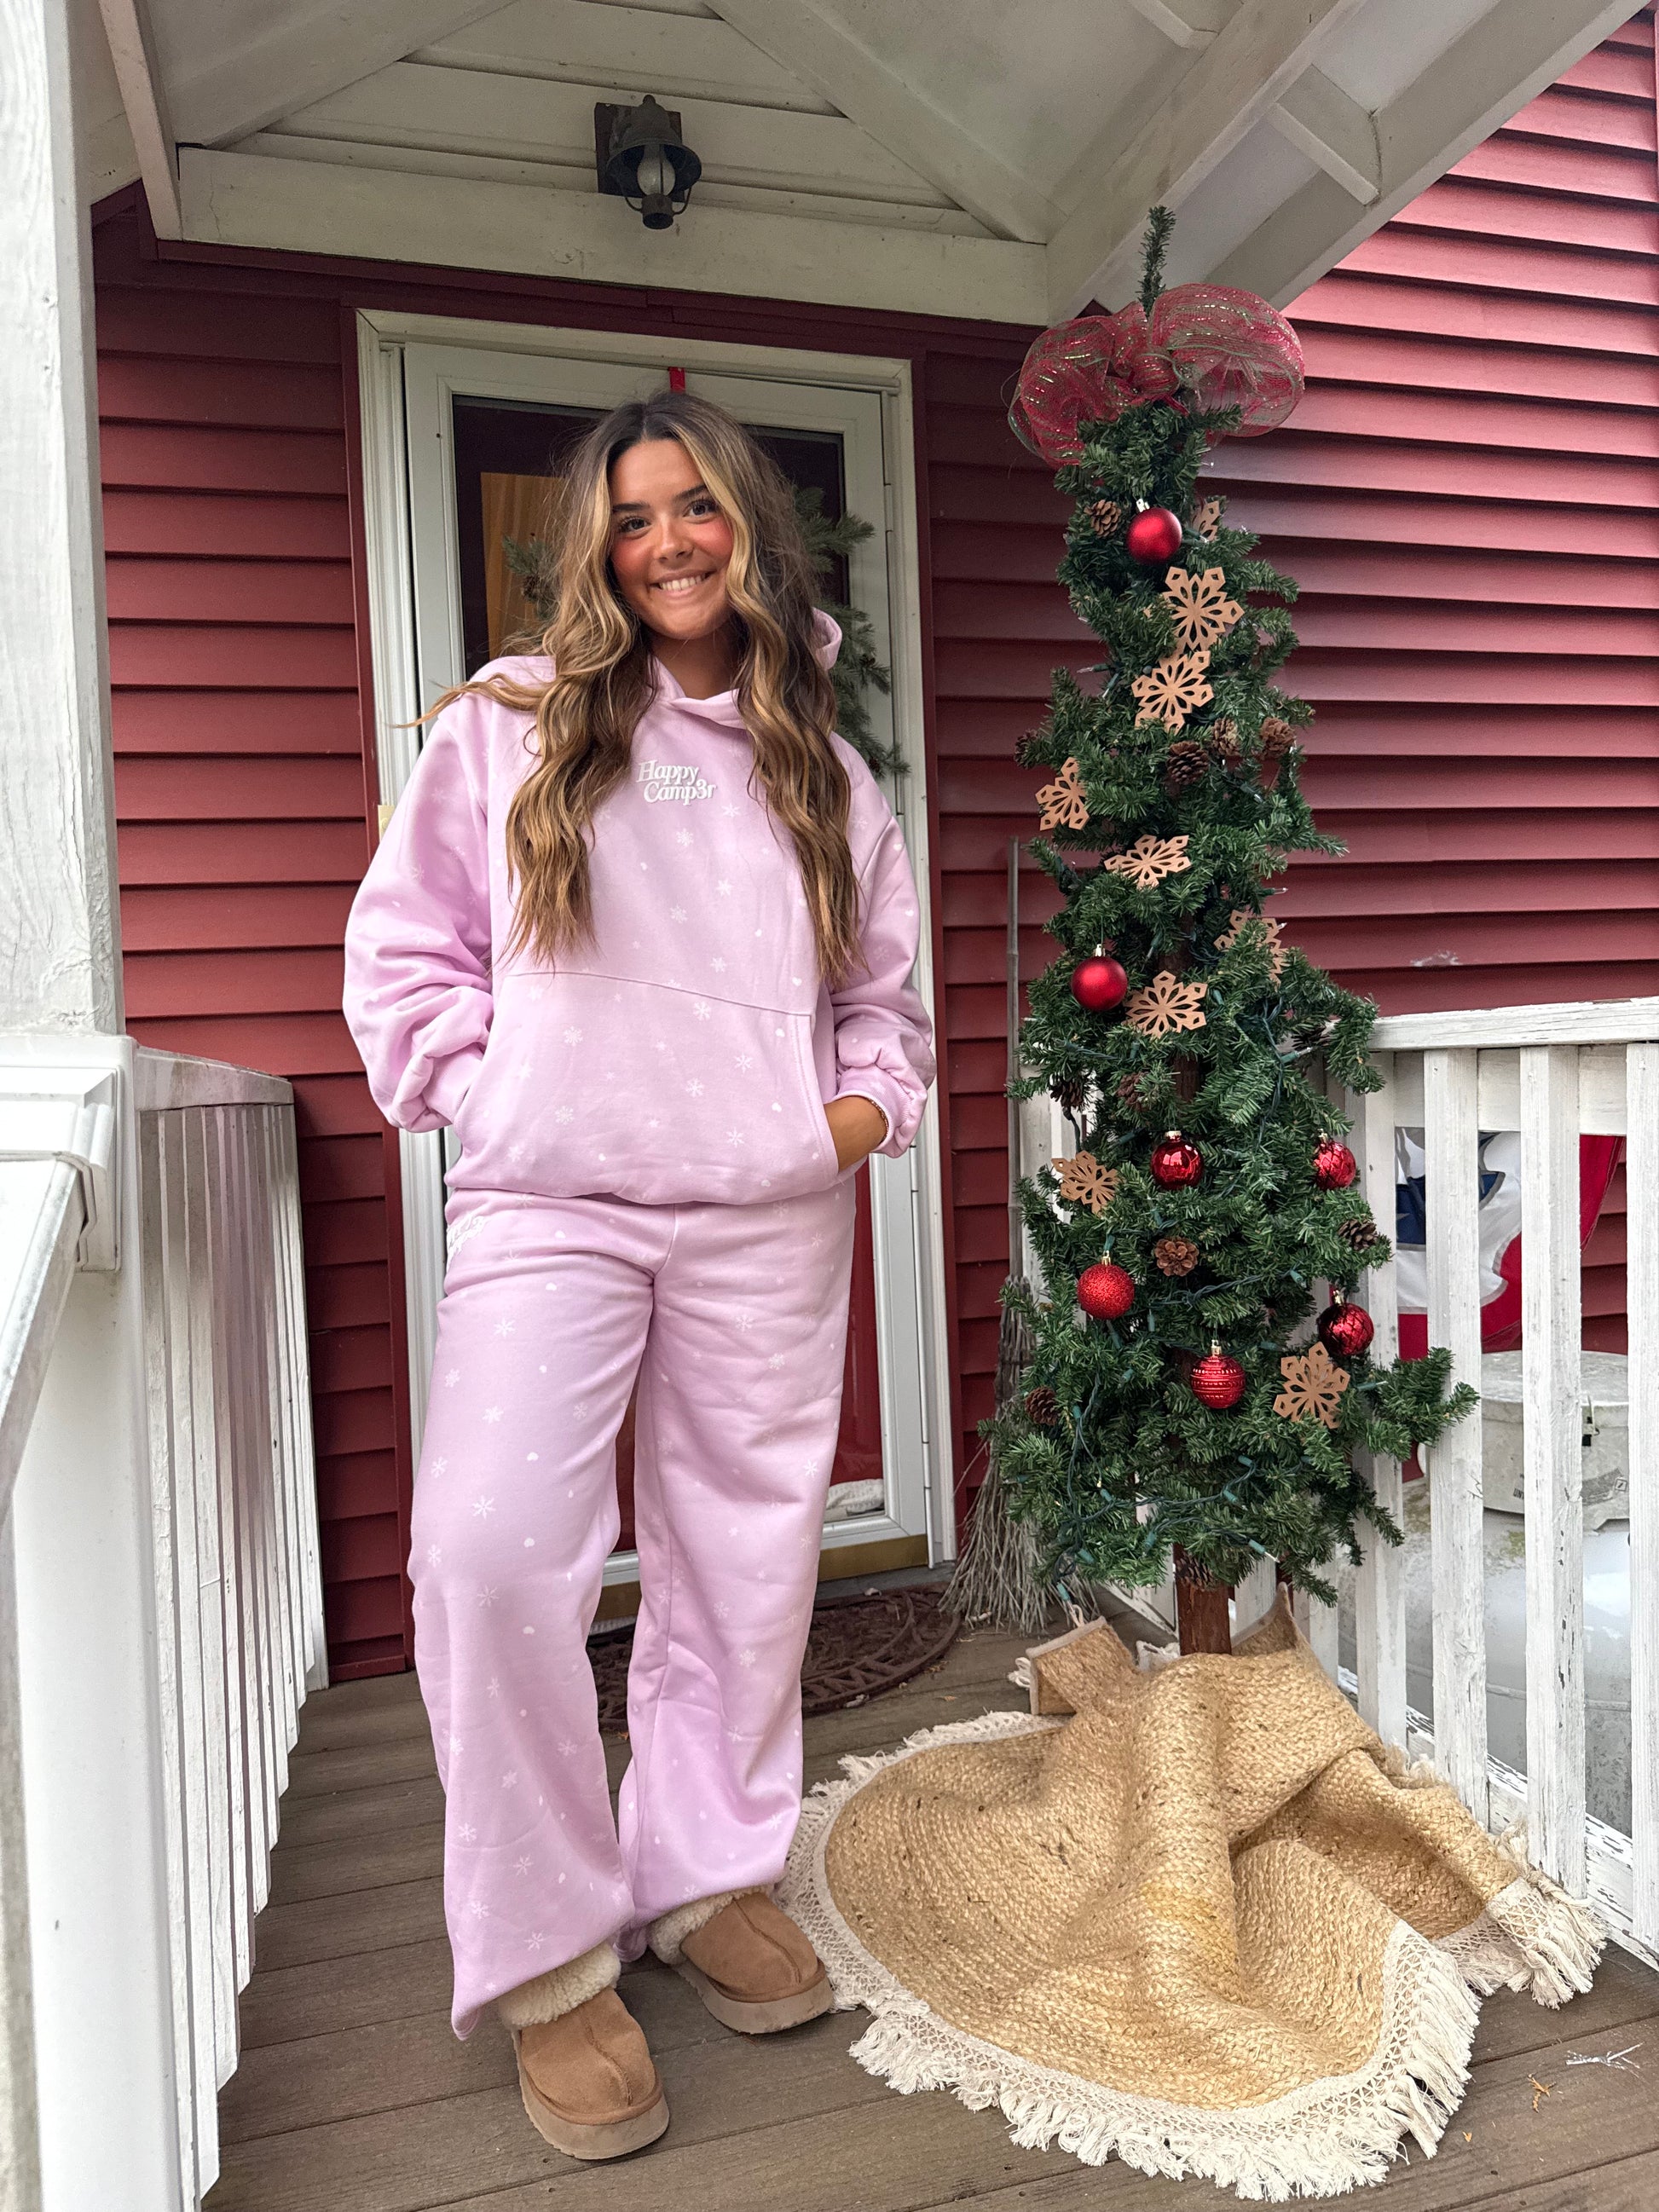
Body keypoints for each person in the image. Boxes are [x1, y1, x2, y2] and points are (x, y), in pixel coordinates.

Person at [343, 390, 934, 2161]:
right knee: (488, 1553)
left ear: (749, 524)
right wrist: (500, 1091)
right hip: (555, 1203)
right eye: (629, 516)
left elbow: (883, 1007)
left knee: (744, 1555)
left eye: (694, 507)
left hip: (765, 1212)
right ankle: (544, 1953)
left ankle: (704, 1871)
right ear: (593, 550)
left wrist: (836, 1123)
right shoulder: (509, 725)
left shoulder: (824, 769)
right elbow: (407, 952)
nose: (666, 541)